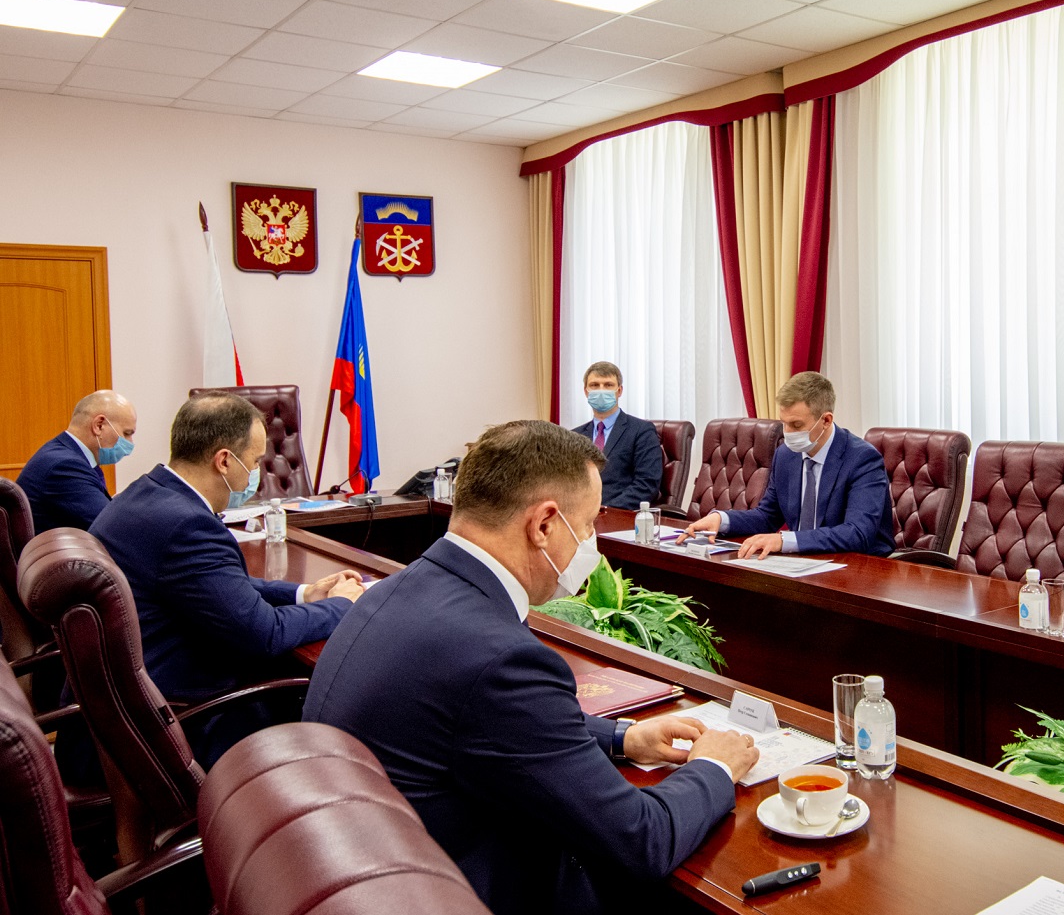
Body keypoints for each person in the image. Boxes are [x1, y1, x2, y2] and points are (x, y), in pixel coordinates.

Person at [304, 420, 757, 913]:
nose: (591, 542)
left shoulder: (395, 590)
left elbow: (484, 722)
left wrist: (622, 737)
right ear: (543, 525)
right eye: (588, 525)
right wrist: (715, 765)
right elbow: (642, 840)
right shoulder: (500, 659)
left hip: (363, 875)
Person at [88, 392, 363, 764]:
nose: (257, 472)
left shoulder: (144, 495)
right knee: (334, 696)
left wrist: (303, 593)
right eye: (255, 461)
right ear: (224, 461)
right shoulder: (187, 525)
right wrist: (342, 605)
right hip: (181, 720)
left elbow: (220, 587)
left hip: (124, 707)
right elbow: (265, 633)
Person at [680, 372, 895, 558]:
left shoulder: (862, 459)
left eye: (796, 425)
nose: (788, 433)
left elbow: (856, 533)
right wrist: (722, 519)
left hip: (856, 566)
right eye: (784, 423)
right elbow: (767, 516)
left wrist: (784, 540)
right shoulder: (786, 455)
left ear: (826, 420)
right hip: (801, 563)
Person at [17, 390, 138, 533]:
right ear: (99, 425)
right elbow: (114, 529)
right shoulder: (64, 466)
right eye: (126, 433)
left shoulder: (65, 454)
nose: (130, 443)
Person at [571, 361, 663, 510]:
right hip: (577, 515)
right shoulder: (574, 436)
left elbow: (647, 484)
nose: (601, 390)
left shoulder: (641, 431)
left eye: (608, 385)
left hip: (618, 514)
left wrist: (605, 510)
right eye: (594, 385)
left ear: (619, 391)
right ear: (586, 392)